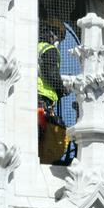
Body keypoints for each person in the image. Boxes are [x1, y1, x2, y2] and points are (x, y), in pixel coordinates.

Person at [37, 19, 69, 164]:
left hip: (34, 98)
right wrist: (62, 89)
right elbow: (51, 74)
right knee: (48, 135)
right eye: (58, 37)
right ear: (52, 34)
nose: (58, 41)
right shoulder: (49, 50)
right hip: (42, 100)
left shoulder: (35, 48)